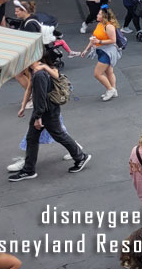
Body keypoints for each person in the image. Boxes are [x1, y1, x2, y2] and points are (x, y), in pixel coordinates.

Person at [8, 50, 91, 181]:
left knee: (57, 135)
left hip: (47, 111)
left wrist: (38, 117)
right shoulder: (36, 70)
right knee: (33, 138)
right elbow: (30, 89)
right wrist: (24, 106)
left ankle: (80, 157)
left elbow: (40, 97)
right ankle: (29, 169)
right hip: (47, 110)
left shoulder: (40, 74)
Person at [82, 5, 121, 100]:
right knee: (109, 72)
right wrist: (86, 50)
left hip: (108, 52)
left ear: (104, 16)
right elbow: (93, 39)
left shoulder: (109, 26)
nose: (97, 15)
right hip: (101, 50)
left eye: (99, 14)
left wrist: (99, 42)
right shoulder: (99, 24)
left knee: (97, 73)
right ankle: (114, 90)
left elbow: (113, 40)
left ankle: (110, 89)